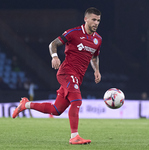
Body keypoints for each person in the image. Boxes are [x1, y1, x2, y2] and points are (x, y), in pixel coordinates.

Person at [12, 7, 102, 145]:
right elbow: (53, 44)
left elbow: (94, 57)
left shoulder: (97, 40)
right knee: (77, 101)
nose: (96, 23)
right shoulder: (74, 33)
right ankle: (74, 136)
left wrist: (96, 70)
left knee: (56, 110)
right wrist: (54, 57)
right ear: (86, 19)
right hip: (66, 72)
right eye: (94, 19)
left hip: (77, 77)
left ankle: (26, 104)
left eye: (98, 20)